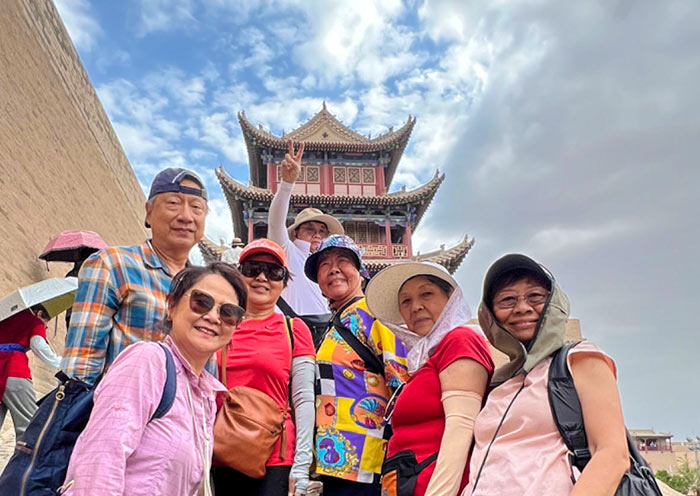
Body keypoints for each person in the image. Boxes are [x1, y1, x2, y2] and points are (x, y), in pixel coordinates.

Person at [61, 262, 246, 496]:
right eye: (201, 302)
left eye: (228, 313)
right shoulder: (148, 361)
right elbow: (101, 457)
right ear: (171, 306)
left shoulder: (204, 395)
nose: (212, 317)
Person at [463, 254, 629, 496]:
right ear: (490, 314)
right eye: (507, 300)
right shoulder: (497, 384)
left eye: (535, 296)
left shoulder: (578, 360)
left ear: (554, 302)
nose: (522, 308)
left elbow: (612, 455)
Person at [61, 167, 208, 384]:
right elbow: (80, 363)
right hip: (121, 411)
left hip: (186, 416)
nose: (186, 216)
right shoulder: (112, 265)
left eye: (196, 208)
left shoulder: (206, 286)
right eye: (173, 203)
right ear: (149, 212)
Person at [365, 262, 494, 496]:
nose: (416, 307)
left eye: (426, 294)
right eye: (406, 301)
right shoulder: (425, 359)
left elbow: (461, 426)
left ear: (450, 299)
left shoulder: (460, 340)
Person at [304, 234, 409, 496]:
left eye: (343, 261)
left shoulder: (374, 313)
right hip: (336, 460)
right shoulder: (333, 323)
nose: (334, 269)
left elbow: (402, 384)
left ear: (360, 272)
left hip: (368, 459)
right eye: (324, 265)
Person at [212, 238, 316, 496]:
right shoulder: (216, 324)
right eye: (252, 269)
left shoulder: (294, 330)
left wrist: (301, 465)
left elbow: (303, 399)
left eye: (274, 272)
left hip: (274, 457)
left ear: (283, 283)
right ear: (238, 276)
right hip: (217, 452)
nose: (262, 277)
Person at [268, 140, 344, 315]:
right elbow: (275, 222)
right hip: (292, 332)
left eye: (322, 231)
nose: (317, 235)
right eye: (310, 229)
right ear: (296, 233)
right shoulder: (289, 252)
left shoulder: (328, 268)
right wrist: (287, 184)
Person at [0, 305, 61, 440]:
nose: (45, 325)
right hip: (14, 370)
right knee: (29, 424)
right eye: (46, 321)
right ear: (38, 313)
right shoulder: (34, 321)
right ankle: (24, 460)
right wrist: (59, 363)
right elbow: (38, 345)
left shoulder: (4, 317)